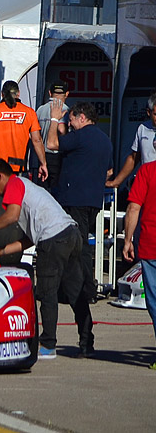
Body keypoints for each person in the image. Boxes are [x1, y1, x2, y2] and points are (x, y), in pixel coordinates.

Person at [0, 159, 93, 359]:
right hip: (70, 233)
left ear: (1, 177)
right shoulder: (29, 189)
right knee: (75, 291)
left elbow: (11, 216)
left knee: (47, 293)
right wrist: (1, 251)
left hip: (53, 239)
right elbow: (30, 238)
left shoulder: (14, 183)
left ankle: (47, 344)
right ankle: (87, 342)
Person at [47, 101, 112, 328]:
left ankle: (85, 289)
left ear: (82, 118)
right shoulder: (104, 139)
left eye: (72, 120)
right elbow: (109, 170)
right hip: (93, 199)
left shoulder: (82, 136)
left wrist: (55, 119)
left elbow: (52, 143)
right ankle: (79, 287)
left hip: (75, 198)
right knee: (81, 244)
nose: (70, 124)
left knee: (78, 245)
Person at [121, 156, 156, 368]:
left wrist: (127, 240)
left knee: (154, 301)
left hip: (151, 245)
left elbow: (134, 208)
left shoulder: (146, 172)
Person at [0, 81, 48, 181]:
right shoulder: (29, 112)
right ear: (18, 93)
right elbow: (37, 140)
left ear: (2, 94)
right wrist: (43, 163)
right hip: (21, 166)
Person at [107, 90, 156, 189]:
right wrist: (116, 182)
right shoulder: (143, 128)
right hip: (147, 182)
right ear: (148, 112)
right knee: (133, 204)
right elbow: (133, 158)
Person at [36, 83, 70, 189]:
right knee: (56, 189)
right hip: (57, 155)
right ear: (67, 94)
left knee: (43, 189)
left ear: (50, 93)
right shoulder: (65, 109)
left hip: (41, 155)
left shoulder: (40, 110)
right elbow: (61, 129)